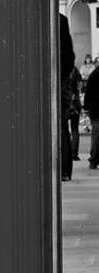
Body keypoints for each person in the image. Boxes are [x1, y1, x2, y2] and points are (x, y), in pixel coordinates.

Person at [60, 12, 75, 181]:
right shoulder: (61, 20)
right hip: (60, 83)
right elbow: (70, 58)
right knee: (63, 129)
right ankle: (65, 171)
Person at [84, 57, 99, 170]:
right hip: (96, 109)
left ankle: (93, 160)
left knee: (96, 135)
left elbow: (88, 93)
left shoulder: (93, 75)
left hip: (95, 110)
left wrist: (86, 107)